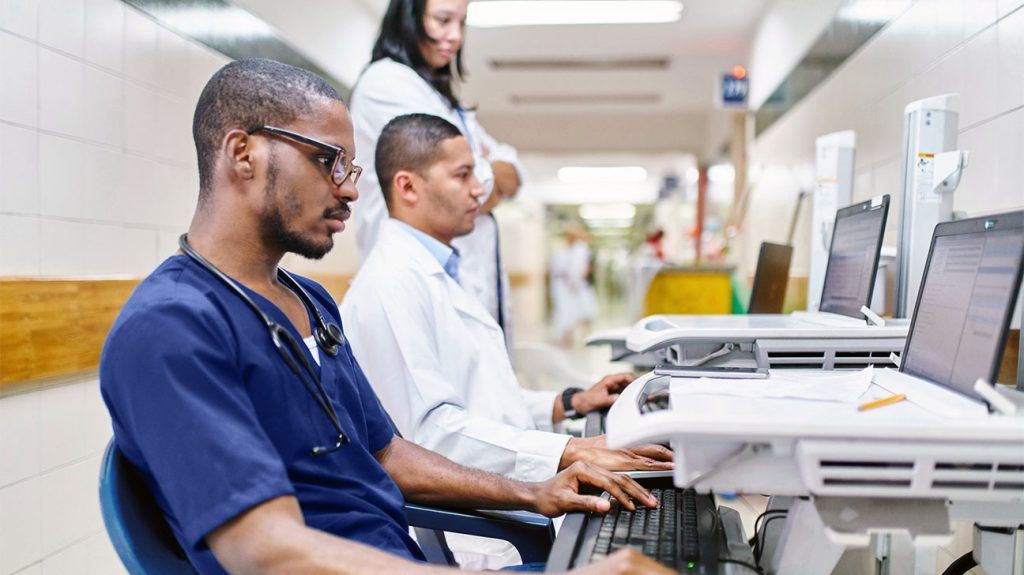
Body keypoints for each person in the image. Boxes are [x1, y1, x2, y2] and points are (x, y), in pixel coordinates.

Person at [99, 59, 672, 575]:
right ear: (242, 152)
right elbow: (267, 553)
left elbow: (385, 452)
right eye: (329, 162)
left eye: (349, 166)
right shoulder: (171, 327)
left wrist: (532, 490)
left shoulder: (309, 301)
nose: (349, 190)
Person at [342, 114, 672, 486]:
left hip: (504, 485)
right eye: (462, 175)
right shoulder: (391, 285)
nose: (478, 190)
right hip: (475, 522)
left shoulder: (437, 271)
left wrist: (568, 402)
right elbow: (432, 436)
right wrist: (568, 450)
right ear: (408, 187)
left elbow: (483, 401)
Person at [350, 0, 519, 343]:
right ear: (409, 17)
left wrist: (492, 171)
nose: (454, 36)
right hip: (418, 286)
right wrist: (487, 172)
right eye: (442, 20)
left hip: (459, 287)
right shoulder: (388, 83)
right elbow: (471, 190)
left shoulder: (441, 100)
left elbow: (514, 175)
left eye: (462, 22)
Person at [550, 226, 599, 347]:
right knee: (567, 312)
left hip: (575, 285)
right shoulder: (565, 249)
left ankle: (583, 336)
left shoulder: (580, 249)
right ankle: (567, 337)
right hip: (563, 285)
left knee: (584, 310)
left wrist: (574, 282)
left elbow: (583, 268)